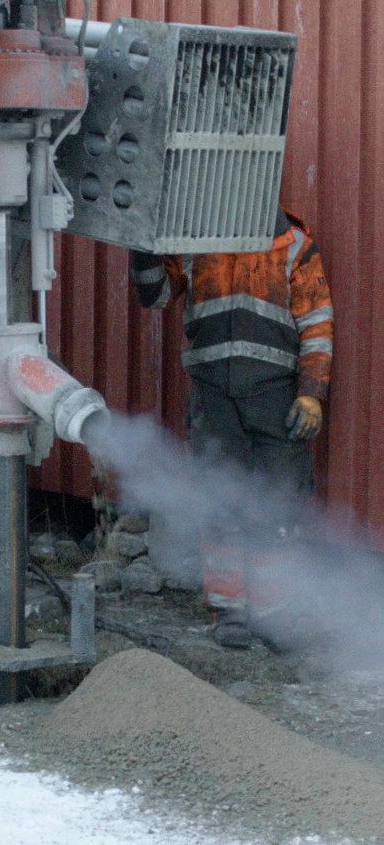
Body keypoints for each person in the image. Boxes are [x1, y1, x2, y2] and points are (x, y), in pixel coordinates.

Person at [131, 206, 333, 649]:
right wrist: (141, 242)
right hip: (213, 397)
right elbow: (157, 296)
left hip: (277, 398)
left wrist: (311, 393)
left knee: (276, 506)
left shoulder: (294, 245)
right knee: (221, 502)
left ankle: (274, 614)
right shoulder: (194, 238)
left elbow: (317, 324)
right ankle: (231, 613)